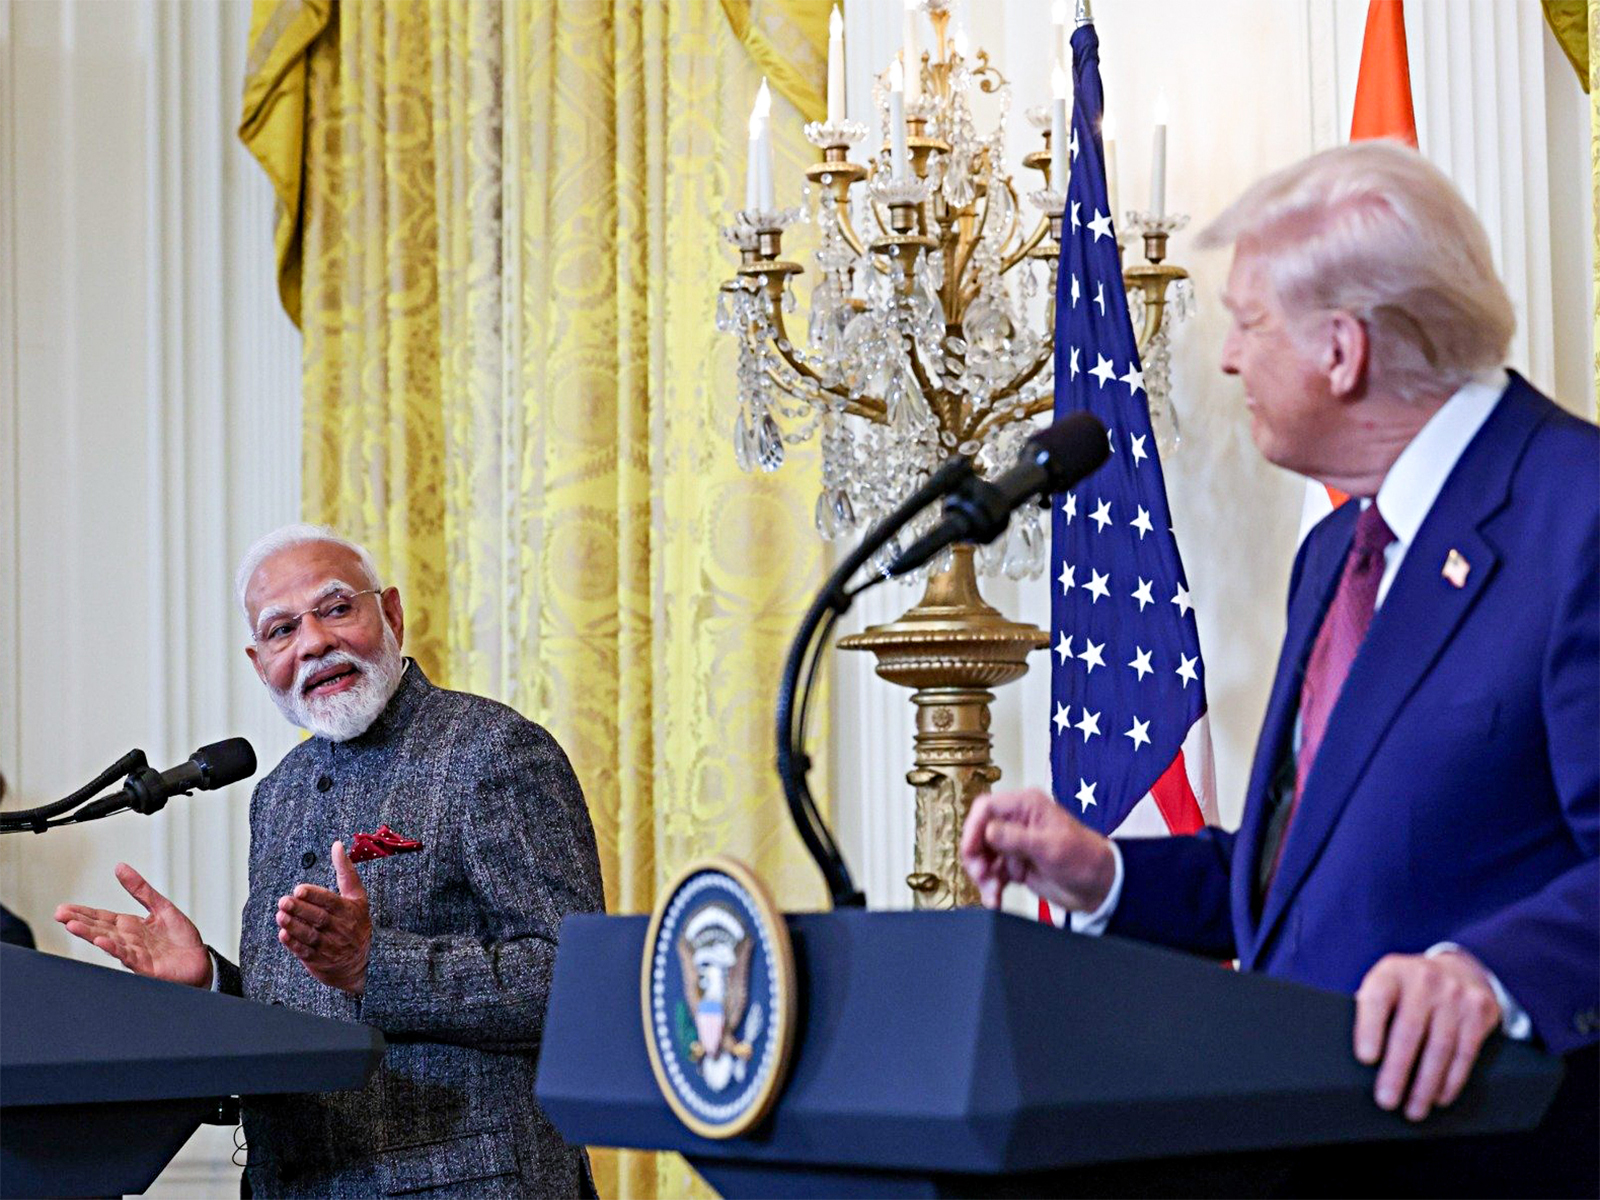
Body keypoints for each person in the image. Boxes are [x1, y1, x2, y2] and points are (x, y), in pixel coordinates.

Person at [962, 142, 1597, 1195]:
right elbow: (1306, 884)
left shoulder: (1575, 514)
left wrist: (1493, 975)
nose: (1224, 358)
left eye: (1247, 321)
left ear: (1341, 350)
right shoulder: (1335, 555)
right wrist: (1106, 875)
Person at [57, 524, 605, 1198]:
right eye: (282, 629)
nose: (314, 641)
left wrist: (376, 965)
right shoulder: (276, 795)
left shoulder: (491, 750)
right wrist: (208, 986)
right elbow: (304, 1010)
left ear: (393, 615)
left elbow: (578, 987)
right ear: (262, 665)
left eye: (338, 608)